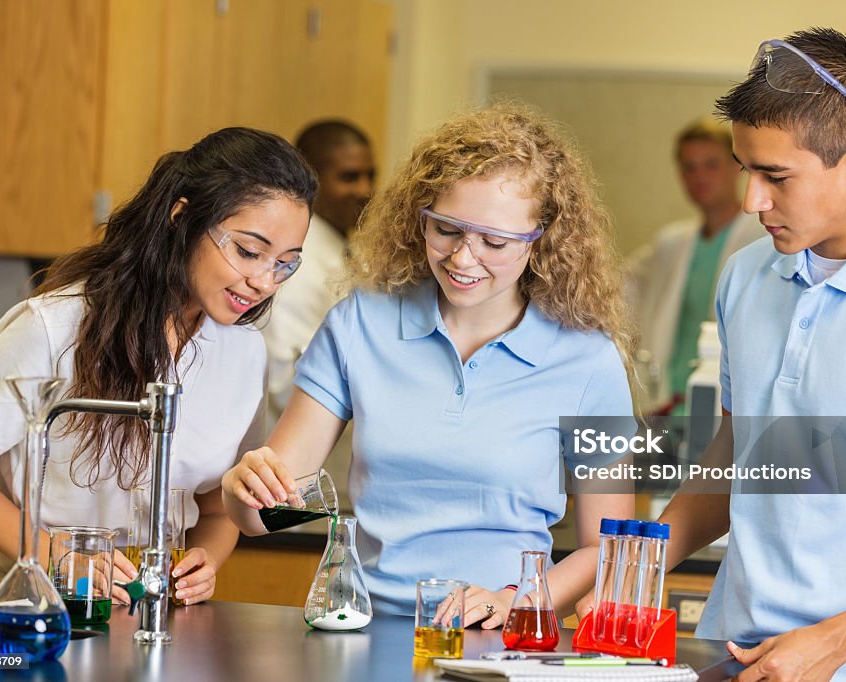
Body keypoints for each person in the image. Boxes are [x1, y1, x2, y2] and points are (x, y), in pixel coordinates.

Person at [641, 28, 846, 680]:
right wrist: (616, 571)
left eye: (775, 176)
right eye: (746, 169)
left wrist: (832, 644)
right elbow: (738, 459)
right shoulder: (745, 277)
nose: (750, 201)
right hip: (729, 656)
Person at [222, 103, 636, 622]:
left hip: (500, 641)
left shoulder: (589, 359)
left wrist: (517, 603)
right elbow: (270, 512)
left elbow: (609, 547)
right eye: (446, 230)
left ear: (543, 238)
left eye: (495, 241)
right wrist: (242, 492)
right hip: (367, 630)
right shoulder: (360, 325)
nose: (464, 258)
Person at [0, 127, 316, 606]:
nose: (264, 281)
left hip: (156, 608)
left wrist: (205, 560)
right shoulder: (53, 327)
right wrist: (58, 555)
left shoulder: (245, 351)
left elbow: (216, 507)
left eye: (285, 263)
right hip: (44, 601)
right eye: (248, 251)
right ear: (181, 218)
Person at [626, 118, 764, 415]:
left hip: (726, 405)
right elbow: (615, 288)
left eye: (711, 164)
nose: (699, 176)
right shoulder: (670, 244)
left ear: (737, 166)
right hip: (666, 403)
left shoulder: (764, 236)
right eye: (689, 167)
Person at [263, 120, 376, 431]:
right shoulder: (293, 261)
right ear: (310, 177)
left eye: (370, 176)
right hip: (294, 444)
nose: (365, 191)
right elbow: (287, 382)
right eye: (348, 177)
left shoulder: (343, 248)